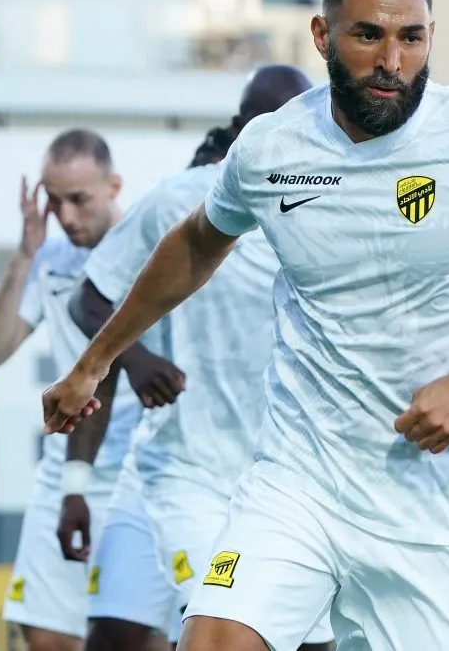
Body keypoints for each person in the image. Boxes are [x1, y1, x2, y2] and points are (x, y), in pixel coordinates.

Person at [42, 0, 449, 651]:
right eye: (368, 35)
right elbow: (196, 243)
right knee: (213, 637)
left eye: (411, 37)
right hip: (299, 481)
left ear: (432, 37)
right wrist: (95, 362)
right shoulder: (272, 147)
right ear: (323, 36)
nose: (392, 60)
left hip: (435, 503)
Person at [58, 65, 332, 651]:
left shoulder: (325, 207)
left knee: (307, 642)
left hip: (283, 477)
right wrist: (134, 360)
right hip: (190, 471)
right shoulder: (181, 201)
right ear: (239, 128)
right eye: (269, 125)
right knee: (207, 629)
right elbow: (91, 297)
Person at [0, 129, 147, 651]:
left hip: (141, 476)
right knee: (46, 637)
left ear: (113, 185)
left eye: (79, 199)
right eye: (54, 201)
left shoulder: (152, 251)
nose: (67, 216)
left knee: (133, 636)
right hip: (64, 473)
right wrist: (23, 256)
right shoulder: (49, 258)